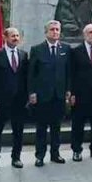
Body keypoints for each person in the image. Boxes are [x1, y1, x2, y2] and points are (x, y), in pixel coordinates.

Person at [28, 20, 69, 166]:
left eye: (57, 29)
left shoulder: (65, 48)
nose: (55, 32)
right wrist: (32, 92)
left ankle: (55, 154)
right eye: (52, 29)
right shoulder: (37, 49)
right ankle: (40, 155)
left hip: (59, 95)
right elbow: (31, 74)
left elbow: (68, 72)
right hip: (43, 95)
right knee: (41, 127)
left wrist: (68, 91)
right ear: (46, 32)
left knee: (56, 127)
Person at [0, 27, 29, 169]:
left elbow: (26, 78)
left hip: (19, 100)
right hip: (0, 101)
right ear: (5, 37)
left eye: (17, 36)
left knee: (18, 131)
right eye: (12, 36)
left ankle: (16, 157)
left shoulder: (24, 55)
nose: (15, 38)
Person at [68, 23, 92, 161]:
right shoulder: (76, 51)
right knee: (78, 124)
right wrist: (71, 93)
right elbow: (71, 73)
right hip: (80, 95)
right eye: (90, 32)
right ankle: (76, 150)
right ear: (84, 35)